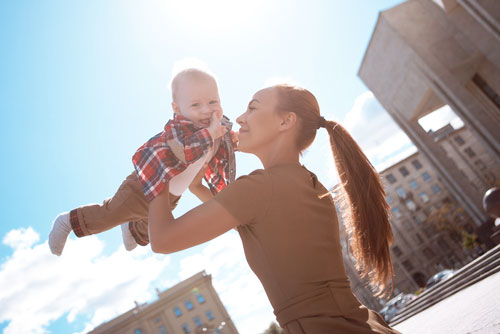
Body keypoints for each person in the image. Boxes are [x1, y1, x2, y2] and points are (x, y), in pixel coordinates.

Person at [147, 84, 400, 333]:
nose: (239, 118)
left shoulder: (259, 187)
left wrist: (159, 165)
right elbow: (266, 233)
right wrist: (198, 189)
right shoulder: (308, 181)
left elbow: (162, 240)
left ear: (285, 121)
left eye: (253, 108)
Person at [48, 68, 235, 256]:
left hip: (170, 195)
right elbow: (183, 152)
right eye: (195, 105)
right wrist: (210, 133)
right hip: (144, 184)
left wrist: (232, 141)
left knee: (146, 231)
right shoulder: (178, 129)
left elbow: (222, 145)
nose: (206, 110)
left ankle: (131, 228)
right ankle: (68, 221)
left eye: (213, 101)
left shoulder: (217, 127)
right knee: (110, 214)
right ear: (178, 110)